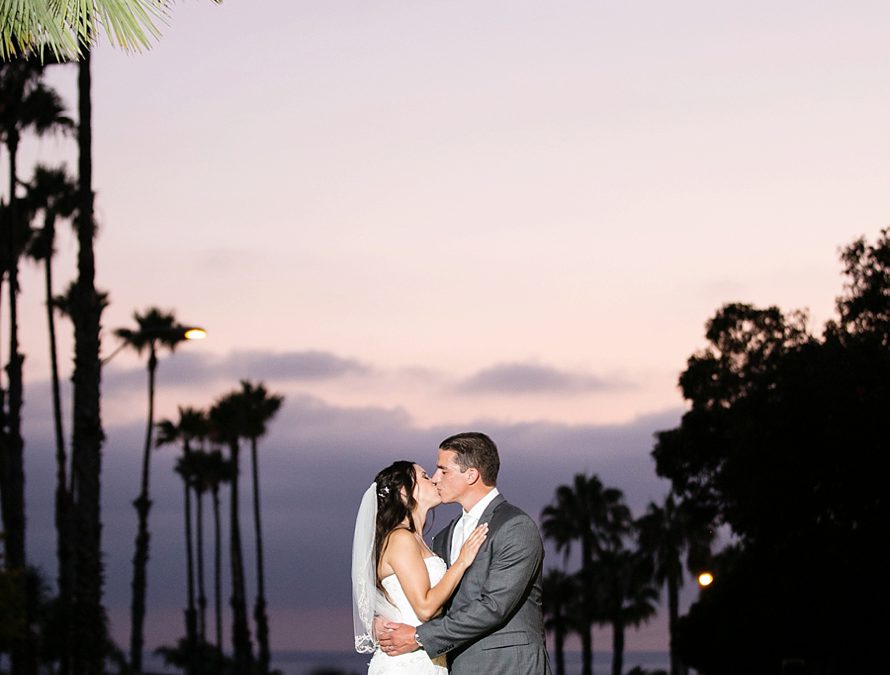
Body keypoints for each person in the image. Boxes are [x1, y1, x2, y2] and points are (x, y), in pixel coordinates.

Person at [377, 432, 551, 675]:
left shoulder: (515, 526)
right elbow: (429, 596)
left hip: (508, 665)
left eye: (443, 470)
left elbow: (494, 606)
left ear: (471, 475)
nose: (436, 479)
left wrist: (419, 637)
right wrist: (384, 619)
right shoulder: (442, 537)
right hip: (454, 664)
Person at [352, 460, 489, 674]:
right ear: (404, 491)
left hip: (429, 658)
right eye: (424, 476)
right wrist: (462, 561)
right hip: (407, 663)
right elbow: (425, 608)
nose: (434, 479)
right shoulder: (400, 539)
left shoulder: (419, 541)